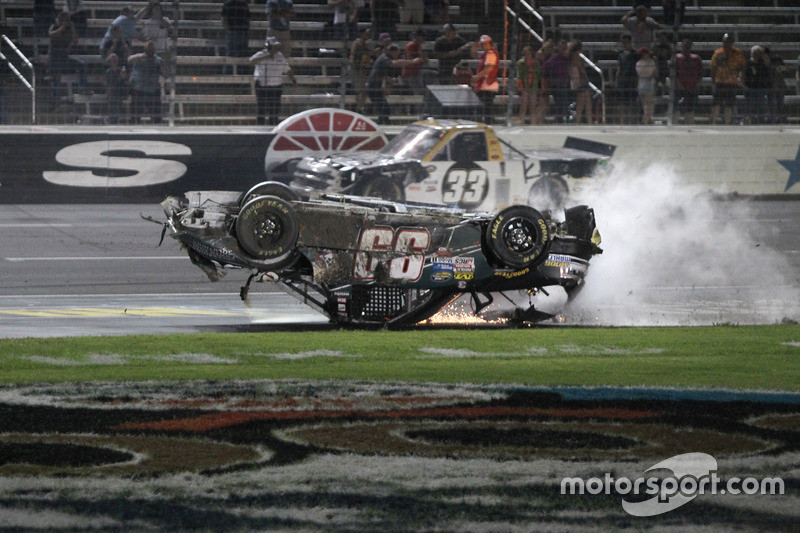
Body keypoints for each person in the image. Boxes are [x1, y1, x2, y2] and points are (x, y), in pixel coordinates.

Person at [366, 43, 421, 124]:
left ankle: (382, 125)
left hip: (377, 87)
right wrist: (412, 62)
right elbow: (396, 63)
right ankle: (382, 125)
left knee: (385, 109)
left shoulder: (383, 59)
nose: (397, 56)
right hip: (373, 88)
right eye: (397, 54)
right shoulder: (384, 58)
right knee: (384, 109)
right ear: (393, 52)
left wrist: (392, 81)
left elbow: (383, 75)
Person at [250, 38, 297, 126]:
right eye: (274, 46)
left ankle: (273, 126)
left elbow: (287, 69)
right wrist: (266, 56)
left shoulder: (280, 56)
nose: (276, 48)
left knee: (275, 109)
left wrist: (293, 80)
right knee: (262, 108)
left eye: (276, 46)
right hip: (262, 85)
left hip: (276, 86)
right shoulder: (261, 54)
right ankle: (260, 126)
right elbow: (252, 60)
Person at [710, 33, 746, 125]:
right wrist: (713, 79)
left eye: (728, 42)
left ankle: (727, 123)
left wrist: (741, 77)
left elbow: (742, 66)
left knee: (729, 104)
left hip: (732, 82)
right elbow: (713, 66)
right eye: (725, 41)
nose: (726, 44)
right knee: (716, 104)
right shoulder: (718, 53)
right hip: (720, 81)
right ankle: (714, 122)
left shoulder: (738, 53)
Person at [48, 11, 79, 110]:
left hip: (65, 58)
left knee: (82, 65)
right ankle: (55, 102)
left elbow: (75, 41)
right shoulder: (54, 26)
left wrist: (73, 28)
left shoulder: (70, 29)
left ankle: (82, 88)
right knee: (55, 80)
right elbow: (51, 34)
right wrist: (61, 28)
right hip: (54, 59)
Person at [128, 40, 165, 123]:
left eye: (151, 51)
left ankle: (157, 123)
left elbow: (165, 74)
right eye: (148, 51)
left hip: (152, 90)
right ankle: (134, 124)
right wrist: (141, 56)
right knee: (135, 114)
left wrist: (160, 69)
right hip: (138, 89)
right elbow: (129, 60)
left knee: (156, 115)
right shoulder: (139, 58)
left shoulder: (158, 60)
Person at [138, 2, 175, 81]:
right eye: (155, 9)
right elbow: (142, 36)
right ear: (152, 11)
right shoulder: (148, 23)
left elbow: (171, 29)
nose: (157, 11)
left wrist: (161, 19)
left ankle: (168, 90)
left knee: (166, 74)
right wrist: (149, 40)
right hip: (153, 52)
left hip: (164, 51)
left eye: (158, 9)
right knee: (154, 74)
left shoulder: (165, 20)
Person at [471, 34, 499, 125]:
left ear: (489, 43)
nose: (483, 46)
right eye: (482, 44)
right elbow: (475, 55)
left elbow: (488, 69)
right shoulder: (486, 54)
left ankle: (487, 124)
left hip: (488, 85)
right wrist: (474, 48)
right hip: (485, 84)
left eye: (485, 44)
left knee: (486, 107)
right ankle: (486, 123)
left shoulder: (490, 53)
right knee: (485, 107)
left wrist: (477, 77)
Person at [674, 39, 703, 124]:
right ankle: (674, 123)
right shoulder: (677, 57)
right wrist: (678, 83)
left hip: (692, 87)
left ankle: (689, 124)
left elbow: (700, 73)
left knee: (690, 108)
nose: (686, 48)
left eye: (688, 46)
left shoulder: (696, 58)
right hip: (680, 88)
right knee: (678, 107)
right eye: (684, 46)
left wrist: (698, 83)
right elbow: (674, 73)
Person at [349, 26, 376, 113]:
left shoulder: (364, 44)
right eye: (366, 33)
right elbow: (353, 55)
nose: (368, 34)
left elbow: (366, 55)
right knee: (362, 90)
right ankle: (359, 108)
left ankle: (360, 107)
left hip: (362, 69)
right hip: (356, 69)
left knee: (363, 90)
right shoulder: (357, 43)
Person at [543, 40, 570, 123]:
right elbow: (545, 68)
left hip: (564, 83)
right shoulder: (554, 58)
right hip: (556, 84)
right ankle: (560, 119)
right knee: (560, 103)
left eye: (564, 48)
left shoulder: (567, 57)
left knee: (564, 103)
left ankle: (563, 118)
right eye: (562, 48)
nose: (563, 49)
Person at [615, 33, 639, 124]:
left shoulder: (635, 54)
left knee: (632, 104)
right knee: (622, 104)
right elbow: (619, 68)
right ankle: (622, 122)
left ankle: (631, 122)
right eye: (623, 42)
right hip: (623, 81)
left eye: (626, 42)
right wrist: (616, 80)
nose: (624, 44)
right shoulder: (621, 55)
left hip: (632, 81)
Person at [221, 0, 251, 74]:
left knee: (242, 53)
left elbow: (248, 18)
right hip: (233, 32)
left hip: (243, 32)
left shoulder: (244, 4)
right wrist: (228, 30)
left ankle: (242, 72)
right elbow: (223, 19)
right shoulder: (228, 4)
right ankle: (228, 73)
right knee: (231, 53)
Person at [743, 45, 770, 125]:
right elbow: (743, 74)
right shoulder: (748, 63)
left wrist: (763, 55)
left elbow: (768, 63)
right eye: (754, 53)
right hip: (749, 87)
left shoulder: (762, 62)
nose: (756, 54)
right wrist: (744, 85)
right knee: (748, 105)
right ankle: (747, 120)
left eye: (758, 53)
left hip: (760, 87)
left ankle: (760, 120)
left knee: (761, 105)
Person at [516, 45, 543, 124]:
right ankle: (521, 122)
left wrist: (539, 87)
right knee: (523, 106)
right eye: (525, 54)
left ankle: (533, 123)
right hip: (524, 86)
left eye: (528, 53)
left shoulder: (536, 63)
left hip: (533, 86)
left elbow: (538, 75)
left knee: (532, 106)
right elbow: (519, 75)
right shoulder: (521, 63)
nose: (527, 55)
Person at [568, 40, 592, 125]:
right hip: (581, 80)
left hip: (579, 81)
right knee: (585, 103)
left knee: (583, 103)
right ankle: (586, 122)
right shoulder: (577, 58)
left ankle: (580, 122)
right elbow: (582, 70)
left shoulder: (571, 58)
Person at [401, 29, 428, 96]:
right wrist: (421, 58)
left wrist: (423, 58)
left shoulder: (419, 46)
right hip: (410, 73)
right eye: (422, 36)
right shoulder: (411, 45)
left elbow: (423, 59)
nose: (424, 38)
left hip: (417, 71)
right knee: (418, 93)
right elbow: (410, 60)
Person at [765, 47, 787, 124]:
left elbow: (784, 69)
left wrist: (776, 68)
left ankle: (783, 120)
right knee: (771, 105)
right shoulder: (764, 64)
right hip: (770, 88)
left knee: (780, 104)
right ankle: (773, 121)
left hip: (779, 86)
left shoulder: (777, 60)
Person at [635, 47, 657, 124]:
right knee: (649, 104)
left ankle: (648, 119)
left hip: (641, 83)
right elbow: (653, 73)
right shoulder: (651, 62)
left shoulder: (638, 63)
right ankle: (646, 120)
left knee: (645, 104)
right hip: (648, 83)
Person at [104, 52, 128, 124]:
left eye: (115, 60)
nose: (114, 62)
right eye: (112, 60)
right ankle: (112, 121)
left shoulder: (120, 70)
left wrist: (124, 77)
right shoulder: (109, 71)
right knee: (113, 109)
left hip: (120, 93)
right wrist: (121, 77)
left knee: (118, 109)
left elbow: (124, 82)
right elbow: (112, 83)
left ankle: (117, 121)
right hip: (112, 93)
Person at [652, 30, 672, 95]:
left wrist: (666, 43)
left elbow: (670, 53)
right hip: (657, 62)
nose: (662, 38)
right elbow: (653, 55)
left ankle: (664, 91)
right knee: (656, 80)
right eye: (660, 36)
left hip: (664, 62)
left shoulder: (667, 46)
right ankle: (655, 91)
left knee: (664, 80)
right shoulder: (655, 45)